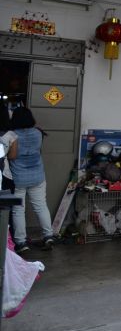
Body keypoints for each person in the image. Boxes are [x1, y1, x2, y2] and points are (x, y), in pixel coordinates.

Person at [8, 107, 54, 253]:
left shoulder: (12, 135)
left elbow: (11, 156)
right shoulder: (38, 133)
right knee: (41, 206)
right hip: (38, 177)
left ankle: (21, 243)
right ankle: (48, 236)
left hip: (19, 178)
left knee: (18, 210)